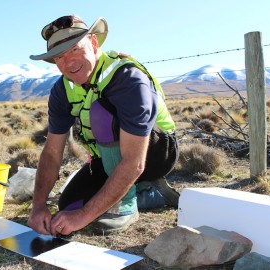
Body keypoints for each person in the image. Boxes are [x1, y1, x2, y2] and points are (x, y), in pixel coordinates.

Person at [27, 15, 179, 236]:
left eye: (75, 50)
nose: (69, 62)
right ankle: (152, 192)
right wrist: (38, 206)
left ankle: (125, 206)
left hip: (155, 152)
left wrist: (83, 217)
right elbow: (51, 152)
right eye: (59, 57)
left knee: (100, 112)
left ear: (94, 42)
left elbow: (134, 162)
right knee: (70, 206)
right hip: (108, 158)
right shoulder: (62, 90)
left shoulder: (127, 79)